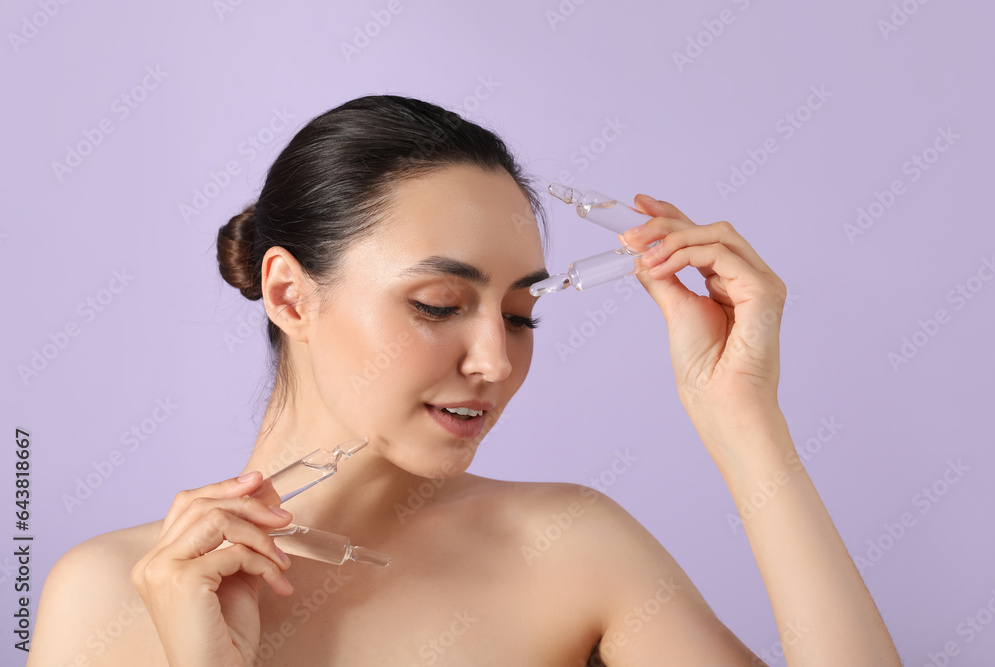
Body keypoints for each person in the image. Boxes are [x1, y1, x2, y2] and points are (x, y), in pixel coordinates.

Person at [27, 95, 902, 666]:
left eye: (522, 314)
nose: (495, 362)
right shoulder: (114, 595)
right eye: (440, 304)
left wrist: (744, 420)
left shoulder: (568, 547)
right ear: (291, 294)